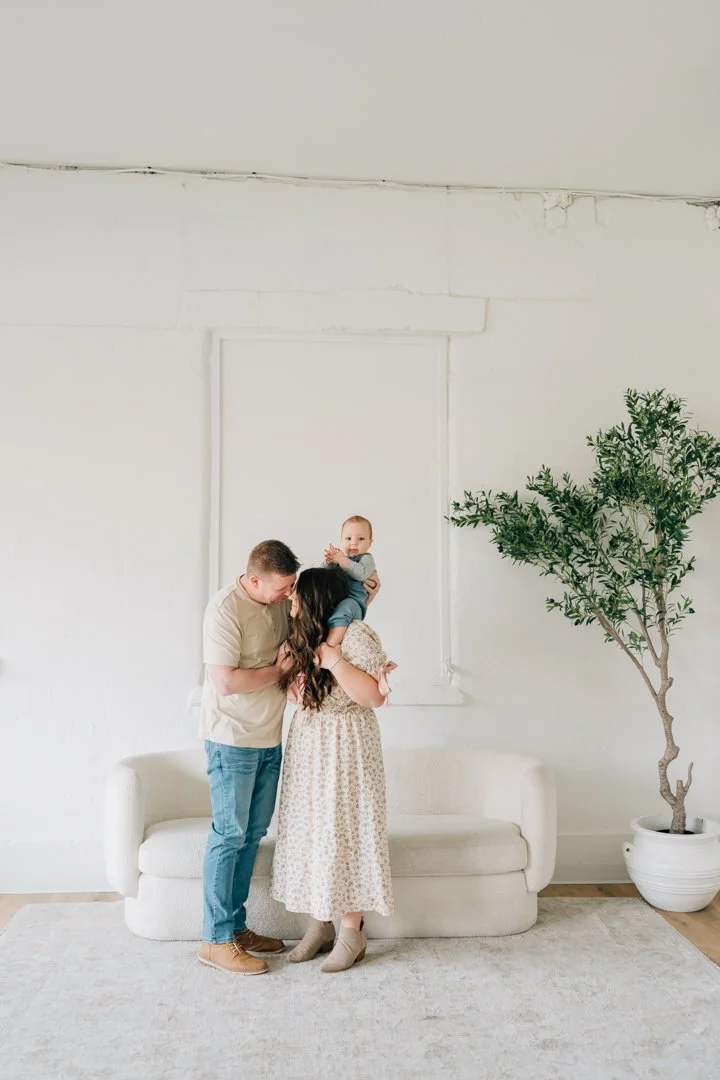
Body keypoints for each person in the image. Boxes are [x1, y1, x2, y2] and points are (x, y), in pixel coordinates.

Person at [271, 566, 395, 973]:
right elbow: (296, 693)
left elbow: (373, 696)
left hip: (348, 746)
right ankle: (319, 925)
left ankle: (351, 932)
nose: (291, 599)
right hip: (311, 744)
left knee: (347, 833)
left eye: (297, 593)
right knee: (312, 833)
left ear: (315, 597)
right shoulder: (303, 632)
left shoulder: (355, 635)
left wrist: (334, 660)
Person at [197, 539, 299, 976]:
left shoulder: (281, 602)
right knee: (229, 834)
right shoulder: (224, 610)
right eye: (281, 588)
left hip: (268, 738)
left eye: (291, 586)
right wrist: (279, 671)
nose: (287, 594)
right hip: (232, 739)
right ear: (254, 580)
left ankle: (236, 930)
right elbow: (227, 681)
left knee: (252, 834)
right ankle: (215, 940)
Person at [324, 514, 376, 647]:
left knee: (345, 607)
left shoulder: (366, 559)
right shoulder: (342, 559)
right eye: (348, 538)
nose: (354, 543)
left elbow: (361, 574)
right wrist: (329, 562)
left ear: (370, 542)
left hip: (355, 605)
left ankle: (330, 645)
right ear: (341, 540)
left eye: (361, 538)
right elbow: (324, 576)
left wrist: (341, 560)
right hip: (336, 602)